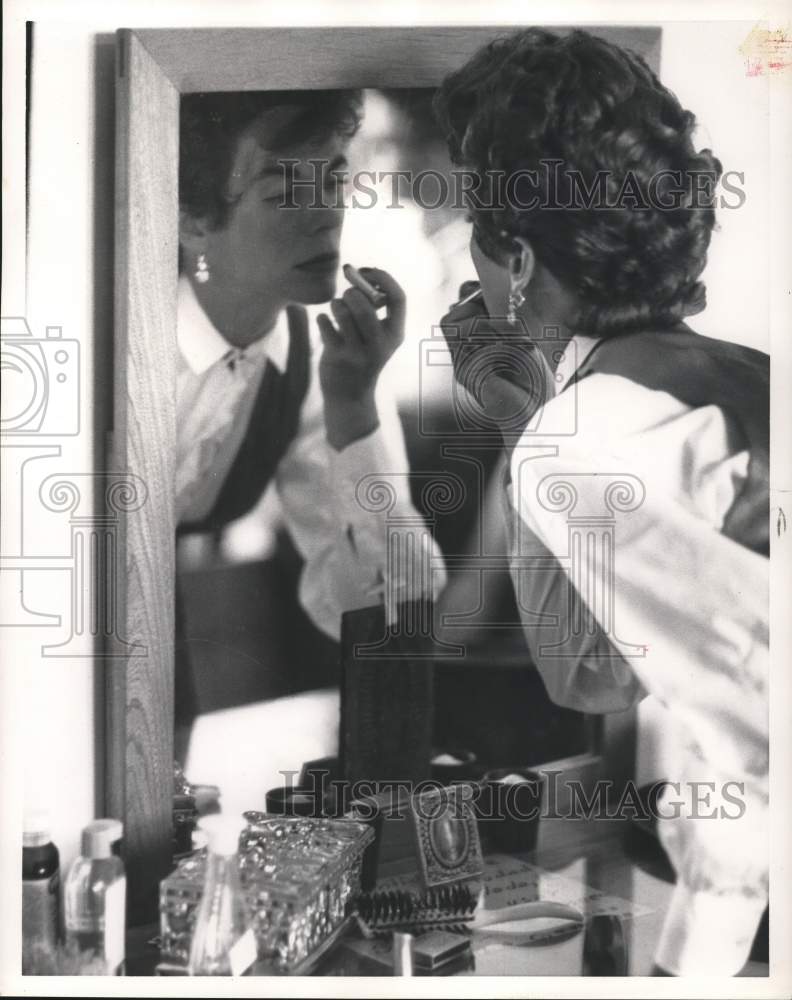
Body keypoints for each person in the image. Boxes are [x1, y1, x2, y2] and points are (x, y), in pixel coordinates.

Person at [434, 28, 769, 976]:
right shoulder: (750, 375)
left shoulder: (581, 437)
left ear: (518, 258)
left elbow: (588, 678)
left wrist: (520, 426)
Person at [175, 90, 443, 753]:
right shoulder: (113, 335)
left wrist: (354, 408)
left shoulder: (319, 358)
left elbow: (385, 608)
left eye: (331, 178)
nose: (327, 215)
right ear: (191, 219)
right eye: (284, 189)